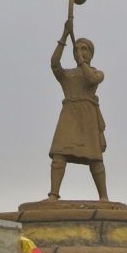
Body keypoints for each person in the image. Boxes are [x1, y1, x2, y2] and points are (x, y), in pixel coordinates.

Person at [48, 18, 108, 201]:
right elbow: (54, 64)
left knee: (95, 159)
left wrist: (83, 64)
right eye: (77, 49)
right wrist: (65, 36)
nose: (79, 52)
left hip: (88, 116)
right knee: (59, 154)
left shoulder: (97, 72)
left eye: (84, 49)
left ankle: (103, 196)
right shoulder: (67, 75)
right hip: (69, 114)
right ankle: (53, 194)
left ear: (91, 54)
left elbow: (91, 79)